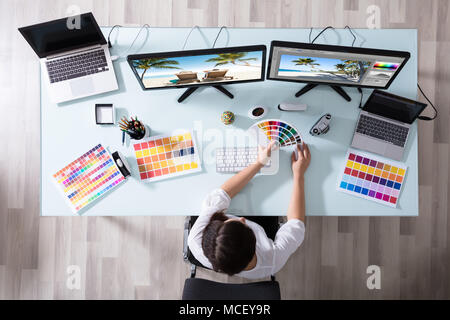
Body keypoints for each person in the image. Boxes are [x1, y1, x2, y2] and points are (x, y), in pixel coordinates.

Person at [187, 142, 311, 279]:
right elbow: (296, 224)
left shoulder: (195, 240)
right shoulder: (272, 260)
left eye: (227, 222)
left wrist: (259, 162)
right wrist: (299, 174)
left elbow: (222, 194)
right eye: (244, 225)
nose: (241, 218)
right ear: (255, 245)